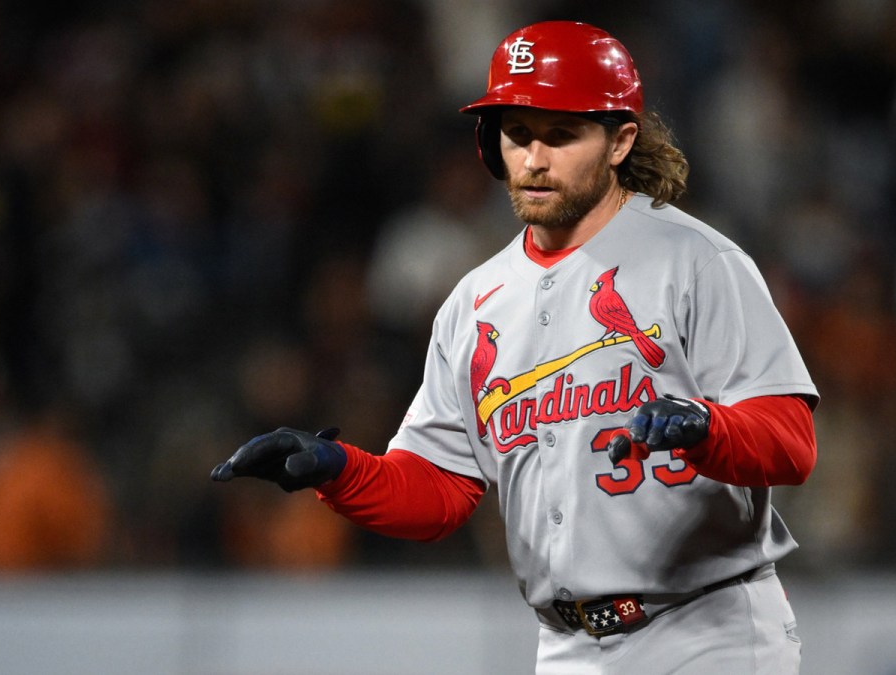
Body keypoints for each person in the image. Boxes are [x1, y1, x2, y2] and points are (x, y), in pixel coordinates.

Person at [212, 20, 818, 674]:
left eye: (562, 134)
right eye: (518, 132)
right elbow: (440, 489)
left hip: (709, 630)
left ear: (620, 141)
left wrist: (707, 430)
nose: (534, 157)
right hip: (566, 646)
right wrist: (339, 469)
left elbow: (791, 441)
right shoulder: (476, 303)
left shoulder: (698, 263)